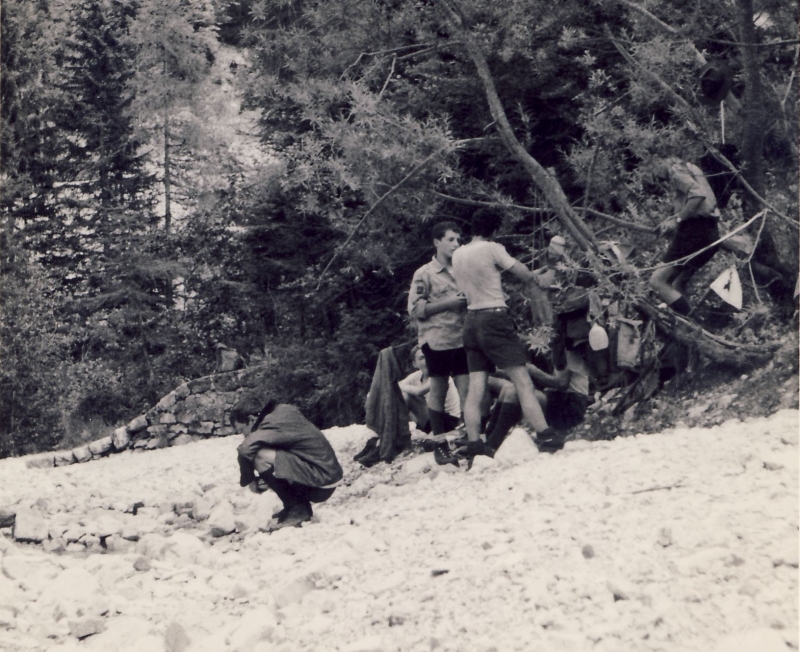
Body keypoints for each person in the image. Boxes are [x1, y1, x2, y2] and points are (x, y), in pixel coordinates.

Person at [451, 208, 565, 456]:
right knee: (522, 380)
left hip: (470, 320)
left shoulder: (458, 254)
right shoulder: (492, 248)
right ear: (494, 230)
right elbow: (524, 275)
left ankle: (474, 442)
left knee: (476, 385)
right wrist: (543, 273)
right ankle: (545, 434)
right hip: (494, 318)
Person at [232, 394, 343, 530]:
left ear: (251, 419)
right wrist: (267, 477)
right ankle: (293, 507)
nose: (244, 435)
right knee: (265, 452)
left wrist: (251, 482)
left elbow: (244, 450)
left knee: (259, 455)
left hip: (321, 482)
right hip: (327, 475)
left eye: (242, 430)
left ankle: (298, 509)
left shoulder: (271, 422)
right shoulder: (282, 410)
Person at [408, 220, 470, 464]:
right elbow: (414, 309)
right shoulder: (424, 273)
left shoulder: (463, 268)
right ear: (437, 243)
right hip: (436, 340)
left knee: (466, 387)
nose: (456, 244)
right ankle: (440, 445)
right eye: (451, 239)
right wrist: (448, 304)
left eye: (458, 239)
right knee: (438, 389)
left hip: (462, 337)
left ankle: (468, 440)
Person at [484, 334, 591, 452]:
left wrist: (531, 370)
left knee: (515, 393)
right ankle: (489, 439)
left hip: (572, 404)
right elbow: (534, 341)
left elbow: (561, 383)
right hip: (557, 398)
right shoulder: (558, 349)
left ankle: (492, 445)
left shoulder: (571, 351)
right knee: (509, 390)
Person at [649, 156, 721, 316]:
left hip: (695, 231)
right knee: (675, 284)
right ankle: (688, 325)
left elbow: (697, 195)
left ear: (659, 160)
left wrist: (678, 220)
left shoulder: (674, 170)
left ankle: (691, 327)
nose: (656, 176)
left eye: (653, 167)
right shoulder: (690, 168)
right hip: (709, 231)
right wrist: (672, 219)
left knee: (657, 280)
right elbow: (699, 202)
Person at [398, 345, 461, 433]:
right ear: (414, 364)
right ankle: (397, 431)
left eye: (428, 357)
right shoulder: (415, 376)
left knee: (407, 396)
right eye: (421, 358)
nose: (427, 360)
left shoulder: (439, 376)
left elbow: (420, 391)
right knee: (401, 395)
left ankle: (399, 433)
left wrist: (397, 385)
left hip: (450, 420)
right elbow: (399, 386)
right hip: (430, 419)